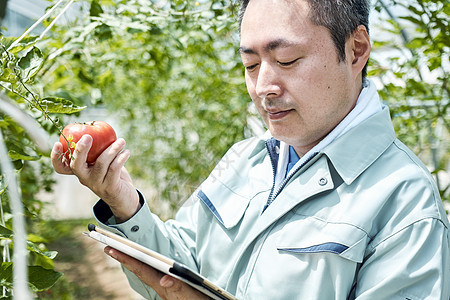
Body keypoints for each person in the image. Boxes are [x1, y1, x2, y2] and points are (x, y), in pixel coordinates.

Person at [52, 0, 450, 299]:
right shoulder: (246, 159)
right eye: (251, 65)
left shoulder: (404, 203)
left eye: (287, 60)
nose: (263, 87)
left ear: (356, 50)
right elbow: (180, 268)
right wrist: (124, 203)